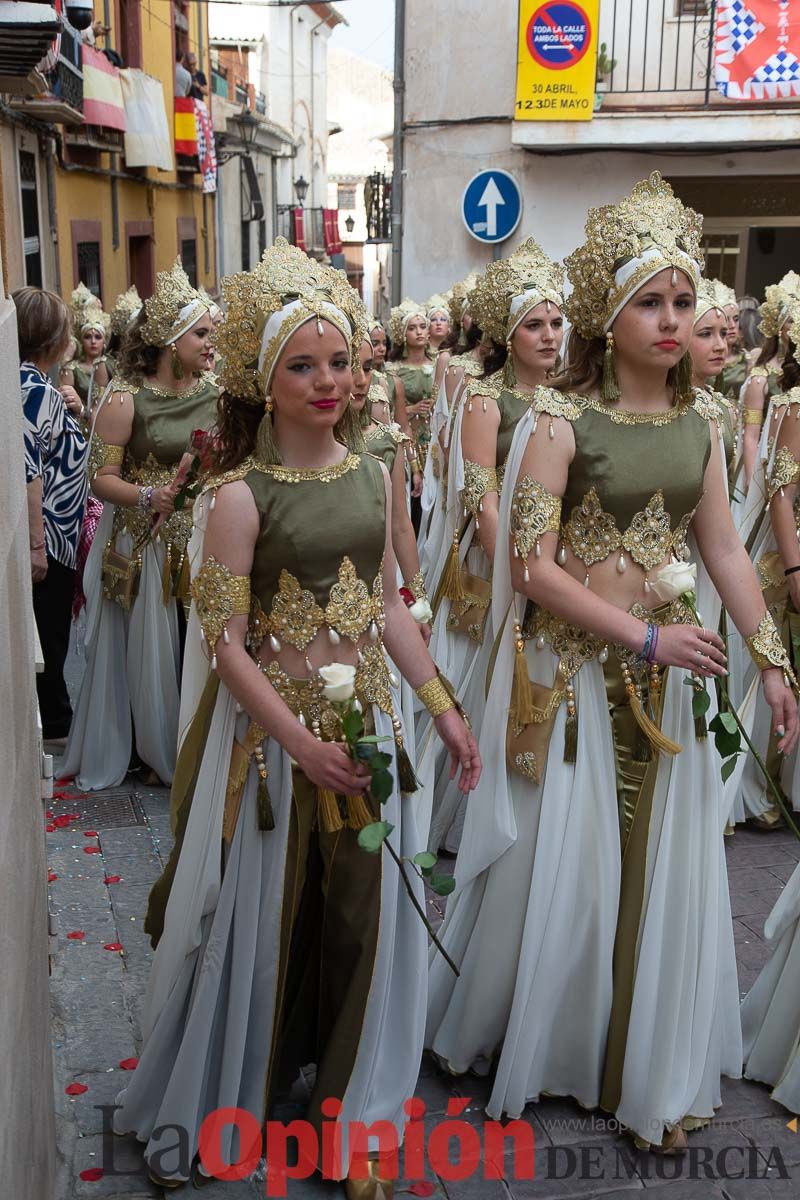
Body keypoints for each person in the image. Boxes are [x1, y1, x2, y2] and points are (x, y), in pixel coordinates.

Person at [426, 173, 798, 1150]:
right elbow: (531, 569)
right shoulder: (557, 424)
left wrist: (768, 662)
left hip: (668, 680)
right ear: (608, 311)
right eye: (649, 300)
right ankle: (560, 1045)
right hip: (581, 684)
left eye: (683, 300)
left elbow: (720, 546)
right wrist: (640, 635)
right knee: (577, 864)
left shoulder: (703, 424)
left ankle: (640, 1060)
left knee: (653, 870)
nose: (672, 319)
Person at [111, 240, 480, 1198]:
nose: (329, 381)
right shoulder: (238, 498)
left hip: (370, 739)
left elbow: (393, 604)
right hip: (278, 756)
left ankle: (349, 1118)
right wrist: (302, 744)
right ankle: (250, 1077)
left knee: (365, 917)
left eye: (340, 360)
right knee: (266, 921)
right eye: (302, 365)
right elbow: (229, 646)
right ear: (261, 384)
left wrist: (441, 708)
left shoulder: (375, 476)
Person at [426, 239, 563, 853]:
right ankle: (453, 818)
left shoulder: (572, 400)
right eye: (534, 324)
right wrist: (519, 574)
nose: (550, 335)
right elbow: (479, 497)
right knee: (474, 679)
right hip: (495, 567)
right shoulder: (486, 400)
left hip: (553, 562)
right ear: (509, 334)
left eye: (557, 322)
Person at [62, 259, 218, 790]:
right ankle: (146, 746)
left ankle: (185, 742)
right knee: (148, 649)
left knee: (192, 645)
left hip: (202, 539)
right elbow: (99, 479)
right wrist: (151, 494)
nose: (209, 343)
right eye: (200, 333)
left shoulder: (216, 393)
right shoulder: (127, 399)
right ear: (172, 341)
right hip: (145, 543)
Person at [17, 286, 89, 744]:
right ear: (52, 339)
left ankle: (56, 715)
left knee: (50, 630)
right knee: (49, 634)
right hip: (50, 535)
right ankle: (56, 722)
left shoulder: (35, 386)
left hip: (53, 530)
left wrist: (76, 413)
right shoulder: (34, 389)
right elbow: (29, 470)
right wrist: (37, 544)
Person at [739, 272, 799, 492]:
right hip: (768, 466)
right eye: (791, 320)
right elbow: (751, 434)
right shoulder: (761, 378)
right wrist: (752, 480)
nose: (796, 328)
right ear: (779, 328)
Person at [60, 286, 113, 422]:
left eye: (98, 337)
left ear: (104, 341)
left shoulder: (113, 364)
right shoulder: (72, 368)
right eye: (88, 337)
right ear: (81, 340)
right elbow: (64, 403)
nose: (93, 342)